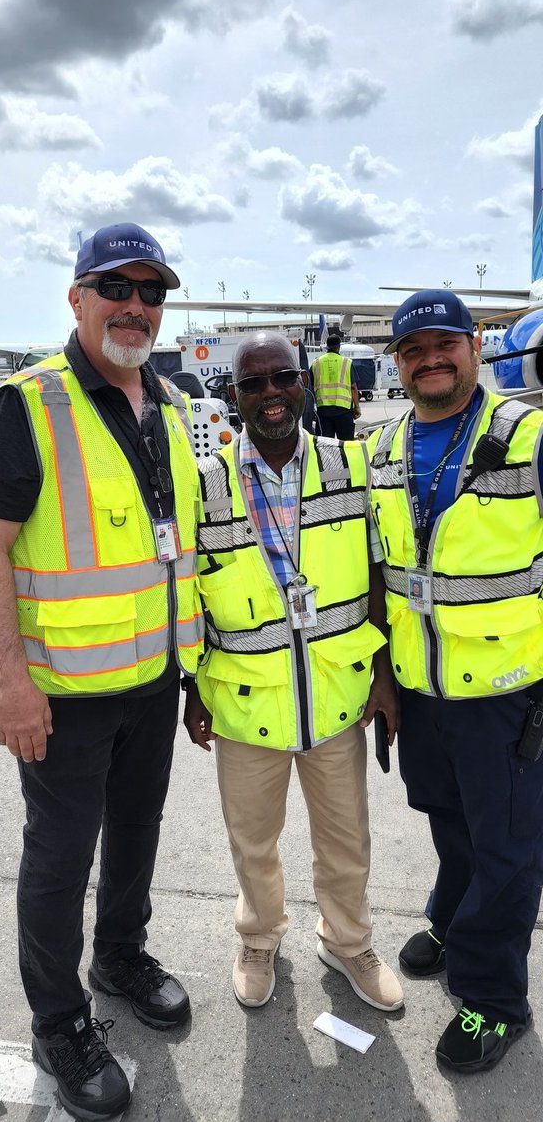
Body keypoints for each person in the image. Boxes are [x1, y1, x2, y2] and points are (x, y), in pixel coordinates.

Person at [0, 223, 204, 1120]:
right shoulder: (26, 404)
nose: (136, 307)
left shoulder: (173, 404)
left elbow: (175, 550)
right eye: (117, 287)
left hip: (151, 680)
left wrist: (191, 677)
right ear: (76, 297)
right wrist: (8, 679)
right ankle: (58, 1019)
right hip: (63, 695)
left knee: (139, 831)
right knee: (59, 857)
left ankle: (119, 956)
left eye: (153, 293)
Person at [184, 332, 403, 1014]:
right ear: (234, 396)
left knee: (346, 837)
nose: (271, 394)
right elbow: (187, 596)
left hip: (338, 695)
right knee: (253, 841)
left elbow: (377, 571)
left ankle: (347, 939)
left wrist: (385, 674)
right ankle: (258, 938)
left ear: (305, 383)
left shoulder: (350, 465)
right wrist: (191, 690)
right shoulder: (206, 484)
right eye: (254, 384)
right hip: (246, 703)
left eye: (283, 378)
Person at [368, 288, 543, 1074]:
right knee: (448, 819)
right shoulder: (385, 446)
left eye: (444, 344)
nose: (430, 359)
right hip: (422, 689)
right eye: (414, 350)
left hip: (506, 689)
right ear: (398, 362)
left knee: (508, 847)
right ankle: (451, 916)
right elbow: (380, 571)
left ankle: (494, 1001)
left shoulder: (527, 434)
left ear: (475, 345)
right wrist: (382, 673)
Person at [310, 330, 360, 439]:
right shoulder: (347, 362)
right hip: (344, 410)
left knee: (325, 448)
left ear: (327, 346)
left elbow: (309, 389)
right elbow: (353, 388)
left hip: (323, 411)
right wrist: (357, 407)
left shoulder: (316, 363)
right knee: (346, 445)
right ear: (339, 347)